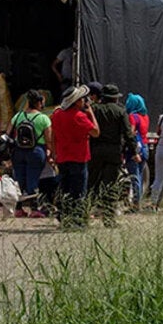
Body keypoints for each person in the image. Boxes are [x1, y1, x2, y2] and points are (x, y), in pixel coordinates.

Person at [48, 85, 99, 227]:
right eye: (82, 99)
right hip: (78, 158)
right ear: (76, 102)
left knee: (65, 189)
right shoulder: (80, 117)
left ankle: (65, 218)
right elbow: (96, 132)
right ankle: (77, 220)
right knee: (78, 191)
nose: (84, 101)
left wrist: (53, 153)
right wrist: (91, 113)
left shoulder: (56, 115)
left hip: (62, 157)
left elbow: (53, 137)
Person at [87, 84, 135, 225]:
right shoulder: (120, 111)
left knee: (91, 183)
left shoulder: (94, 109)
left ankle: (84, 214)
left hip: (95, 150)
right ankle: (108, 218)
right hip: (113, 151)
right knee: (110, 185)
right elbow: (128, 133)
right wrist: (133, 151)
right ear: (115, 98)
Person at [8, 91, 52, 218]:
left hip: (18, 151)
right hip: (36, 151)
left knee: (19, 180)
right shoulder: (44, 118)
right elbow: (48, 140)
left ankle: (18, 209)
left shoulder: (18, 116)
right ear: (39, 103)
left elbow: (8, 132)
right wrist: (50, 153)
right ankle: (34, 209)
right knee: (33, 179)